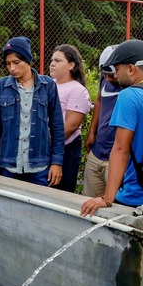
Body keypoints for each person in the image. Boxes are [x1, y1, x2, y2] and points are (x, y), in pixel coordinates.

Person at [80, 39, 143, 217]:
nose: (116, 75)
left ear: (130, 69)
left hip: (134, 194)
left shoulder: (129, 96)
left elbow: (121, 149)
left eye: (117, 69)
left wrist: (107, 198)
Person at [0, 36, 64, 187]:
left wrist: (57, 162)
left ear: (27, 60)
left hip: (39, 165)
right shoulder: (0, 87)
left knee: (39, 201)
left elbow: (57, 127)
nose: (12, 68)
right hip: (8, 165)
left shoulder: (47, 86)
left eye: (16, 62)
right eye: (8, 63)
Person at [49, 44, 91, 192]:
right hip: (45, 149)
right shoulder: (49, 85)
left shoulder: (77, 90)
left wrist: (48, 143)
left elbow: (71, 126)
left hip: (65, 150)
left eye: (58, 60)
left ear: (71, 65)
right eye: (52, 60)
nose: (52, 64)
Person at [82, 45, 121, 197]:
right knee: (88, 201)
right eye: (105, 74)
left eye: (112, 75)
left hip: (118, 157)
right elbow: (99, 101)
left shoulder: (140, 82)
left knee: (114, 204)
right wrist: (92, 132)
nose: (108, 79)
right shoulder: (104, 77)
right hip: (98, 151)